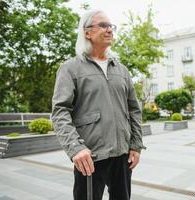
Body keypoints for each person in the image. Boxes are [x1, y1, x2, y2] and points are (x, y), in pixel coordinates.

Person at [51, 10, 145, 200]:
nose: (109, 30)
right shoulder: (70, 68)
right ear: (87, 32)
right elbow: (60, 112)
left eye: (111, 26)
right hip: (90, 156)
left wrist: (135, 145)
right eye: (103, 25)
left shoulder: (122, 70)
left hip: (123, 155)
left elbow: (134, 110)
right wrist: (75, 148)